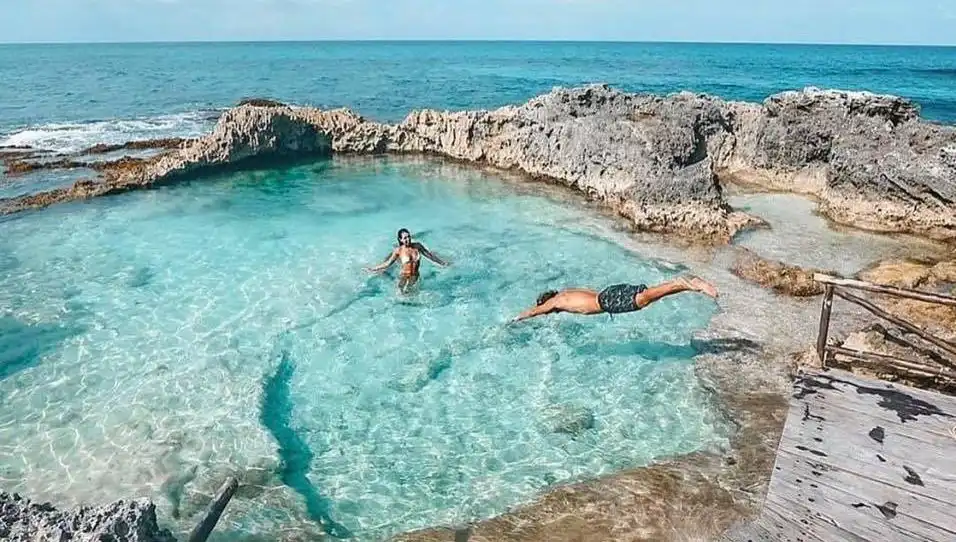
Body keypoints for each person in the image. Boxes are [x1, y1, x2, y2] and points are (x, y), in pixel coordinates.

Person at [510, 276, 718, 322]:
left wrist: (516, 319)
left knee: (644, 299)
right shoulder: (567, 292)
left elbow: (535, 311)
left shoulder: (556, 302)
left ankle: (684, 283)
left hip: (606, 302)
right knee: (647, 298)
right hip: (606, 293)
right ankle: (688, 287)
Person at [365, 228, 449, 292]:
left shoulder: (417, 246)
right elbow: (388, 263)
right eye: (405, 238)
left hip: (415, 276)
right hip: (404, 276)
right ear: (400, 239)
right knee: (401, 293)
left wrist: (442, 263)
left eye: (408, 237)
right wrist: (372, 269)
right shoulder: (398, 250)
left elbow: (430, 256)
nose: (407, 239)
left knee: (410, 292)